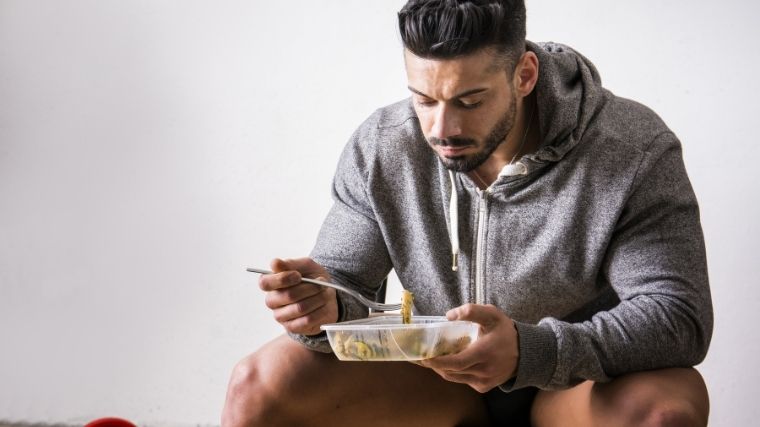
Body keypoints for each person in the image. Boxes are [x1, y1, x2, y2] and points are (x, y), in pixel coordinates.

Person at [222, 0, 713, 425]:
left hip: (572, 387)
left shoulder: (632, 148)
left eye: (470, 100)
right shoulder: (383, 147)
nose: (442, 128)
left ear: (524, 75)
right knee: (255, 387)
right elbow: (346, 290)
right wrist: (324, 306)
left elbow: (677, 317)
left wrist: (529, 352)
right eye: (424, 99)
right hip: (436, 384)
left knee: (664, 411)